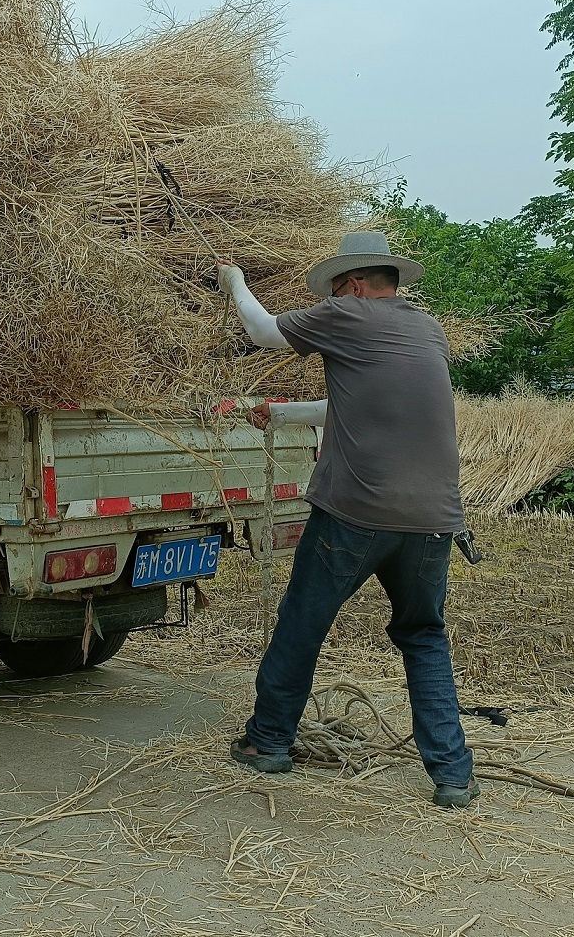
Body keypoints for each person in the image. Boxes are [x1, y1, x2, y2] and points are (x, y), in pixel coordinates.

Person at [216, 231, 479, 808]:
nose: (330, 301)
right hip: (435, 521)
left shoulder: (348, 314)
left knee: (303, 622)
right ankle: (453, 775)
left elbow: (263, 332)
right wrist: (282, 414)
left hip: (356, 514)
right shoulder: (427, 330)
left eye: (334, 289)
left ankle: (267, 741)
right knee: (424, 636)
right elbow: (361, 404)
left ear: (355, 285)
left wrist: (235, 281)